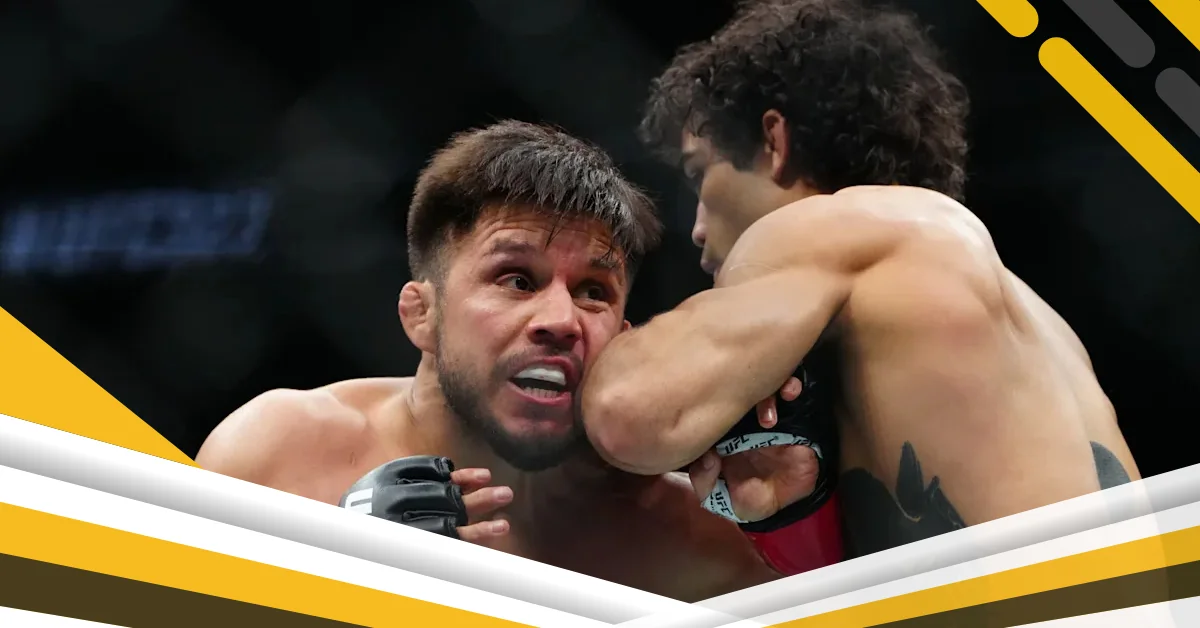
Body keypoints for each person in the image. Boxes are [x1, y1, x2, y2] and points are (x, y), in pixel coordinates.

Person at [580, 0, 1140, 563]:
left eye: (700, 173)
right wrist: (787, 507)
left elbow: (625, 412)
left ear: (774, 142)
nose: (698, 227)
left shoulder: (826, 229)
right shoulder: (1040, 322)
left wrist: (584, 337)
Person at [195, 120, 779, 601]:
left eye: (593, 291)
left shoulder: (692, 536)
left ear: (624, 339)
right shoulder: (277, 456)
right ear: (422, 314)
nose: (562, 320)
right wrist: (332, 581)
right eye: (517, 279)